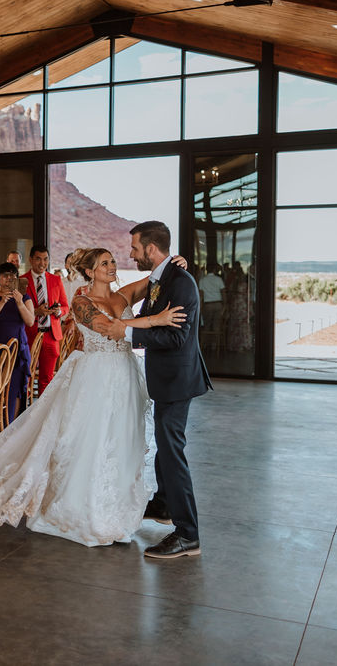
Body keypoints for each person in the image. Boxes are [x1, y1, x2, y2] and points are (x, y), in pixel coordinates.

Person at [0, 248, 185, 546]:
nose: (112, 267)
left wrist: (175, 263)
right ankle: (84, 512)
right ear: (89, 272)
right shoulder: (82, 301)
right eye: (104, 264)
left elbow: (154, 278)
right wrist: (157, 320)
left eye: (112, 262)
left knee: (123, 440)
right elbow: (110, 329)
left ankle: (116, 511)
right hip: (96, 379)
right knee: (93, 442)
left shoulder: (123, 295)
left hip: (124, 378)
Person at [101, 221, 212, 559]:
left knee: (173, 452)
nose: (131, 254)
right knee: (166, 445)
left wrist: (130, 334)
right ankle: (163, 504)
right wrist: (143, 323)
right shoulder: (161, 278)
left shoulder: (180, 283)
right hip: (168, 379)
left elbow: (177, 336)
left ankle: (187, 534)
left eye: (135, 248)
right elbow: (153, 316)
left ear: (151, 249)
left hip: (178, 380)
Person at [0, 262, 34, 423]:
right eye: (5, 275)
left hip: (17, 350)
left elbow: (30, 321)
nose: (9, 278)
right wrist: (2, 301)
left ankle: (10, 425)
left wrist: (18, 302)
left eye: (12, 275)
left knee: (14, 389)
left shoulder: (24, 298)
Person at [23, 245, 69, 395]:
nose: (42, 263)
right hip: (29, 334)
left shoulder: (56, 280)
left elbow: (66, 307)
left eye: (46, 259)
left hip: (51, 335)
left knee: (47, 380)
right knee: (26, 377)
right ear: (31, 260)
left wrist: (58, 311)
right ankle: (24, 414)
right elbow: (17, 310)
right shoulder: (22, 281)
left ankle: (42, 416)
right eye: (38, 259)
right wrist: (36, 312)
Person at [198, 263, 225, 334]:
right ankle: (215, 344)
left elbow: (201, 295)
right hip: (218, 304)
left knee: (207, 326)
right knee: (217, 327)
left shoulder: (202, 280)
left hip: (208, 305)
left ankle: (206, 344)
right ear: (214, 270)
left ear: (206, 270)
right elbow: (223, 293)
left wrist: (200, 307)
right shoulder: (219, 279)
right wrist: (225, 304)